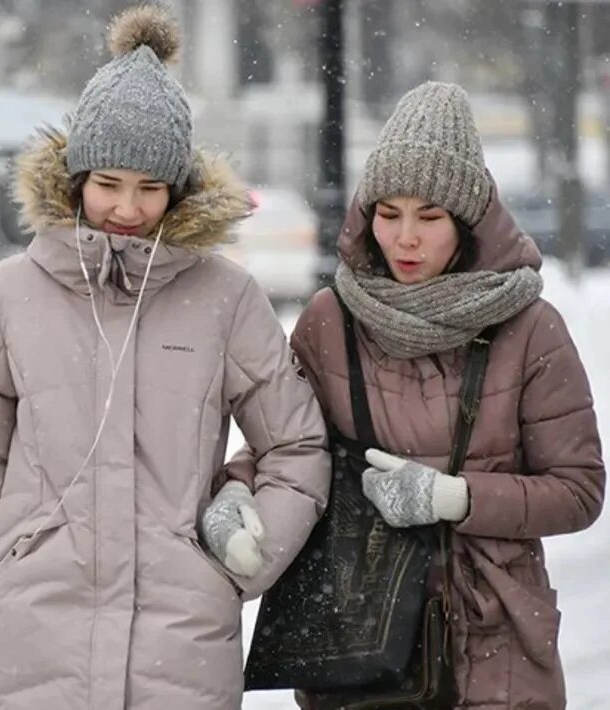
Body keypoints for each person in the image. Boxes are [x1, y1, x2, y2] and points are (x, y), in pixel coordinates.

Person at [0, 5, 330, 710]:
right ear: (74, 178)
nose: (127, 207)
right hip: (37, 640)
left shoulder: (225, 297)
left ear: (176, 189)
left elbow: (298, 445)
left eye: (150, 188)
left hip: (180, 645)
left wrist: (239, 558)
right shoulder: (7, 297)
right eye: (109, 183)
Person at [220, 81, 605, 708]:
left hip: (496, 642)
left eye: (429, 217)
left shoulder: (531, 328)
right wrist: (236, 492)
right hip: (357, 639)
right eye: (388, 213)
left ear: (468, 220)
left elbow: (579, 489)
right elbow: (289, 446)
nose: (405, 238)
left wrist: (452, 497)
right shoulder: (330, 319)